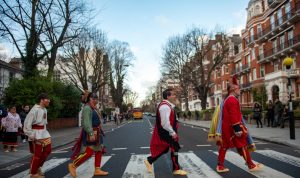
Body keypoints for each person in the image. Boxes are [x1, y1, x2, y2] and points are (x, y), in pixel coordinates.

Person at [216, 76, 263, 173]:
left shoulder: (228, 99)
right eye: (238, 89)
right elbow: (233, 115)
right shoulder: (232, 100)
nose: (240, 91)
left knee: (224, 146)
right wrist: (237, 129)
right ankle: (251, 165)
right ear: (233, 90)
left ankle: (220, 166)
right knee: (243, 145)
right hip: (233, 128)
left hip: (227, 127)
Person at [144, 88, 187, 176]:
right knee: (174, 148)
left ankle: (149, 160)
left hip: (166, 132)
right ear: (168, 96)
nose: (175, 96)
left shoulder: (168, 105)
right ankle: (176, 169)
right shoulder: (164, 107)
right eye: (173, 95)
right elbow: (165, 123)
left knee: (165, 149)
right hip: (166, 133)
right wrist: (173, 133)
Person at [69, 93, 108, 177]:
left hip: (97, 132)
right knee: (89, 152)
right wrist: (90, 133)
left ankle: (97, 170)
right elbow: (86, 122)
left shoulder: (93, 108)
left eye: (96, 98)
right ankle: (73, 165)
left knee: (99, 150)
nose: (96, 100)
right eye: (94, 98)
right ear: (89, 99)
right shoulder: (87, 108)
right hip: (91, 132)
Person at [23, 93, 51, 178]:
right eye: (47, 99)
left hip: (44, 133)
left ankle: (37, 166)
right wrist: (31, 136)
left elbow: (44, 123)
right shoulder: (34, 110)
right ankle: (33, 173)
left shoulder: (45, 110)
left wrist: (45, 131)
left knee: (48, 150)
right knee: (37, 154)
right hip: (36, 134)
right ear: (42, 100)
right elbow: (26, 124)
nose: (49, 101)